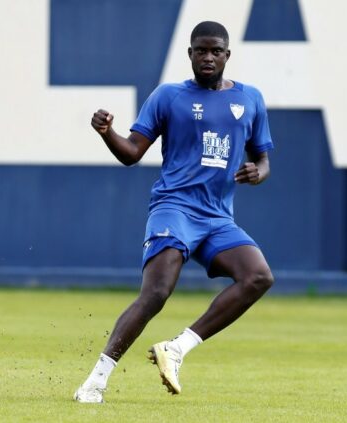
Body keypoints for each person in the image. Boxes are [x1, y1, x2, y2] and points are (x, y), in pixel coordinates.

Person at [74, 21, 275, 403]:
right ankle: (95, 381)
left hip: (218, 217)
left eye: (216, 51)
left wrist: (257, 173)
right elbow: (132, 153)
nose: (208, 57)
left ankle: (177, 348)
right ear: (190, 54)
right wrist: (107, 133)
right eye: (201, 50)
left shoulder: (250, 100)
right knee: (157, 292)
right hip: (175, 207)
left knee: (258, 277)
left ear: (227, 55)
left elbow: (263, 160)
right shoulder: (169, 97)